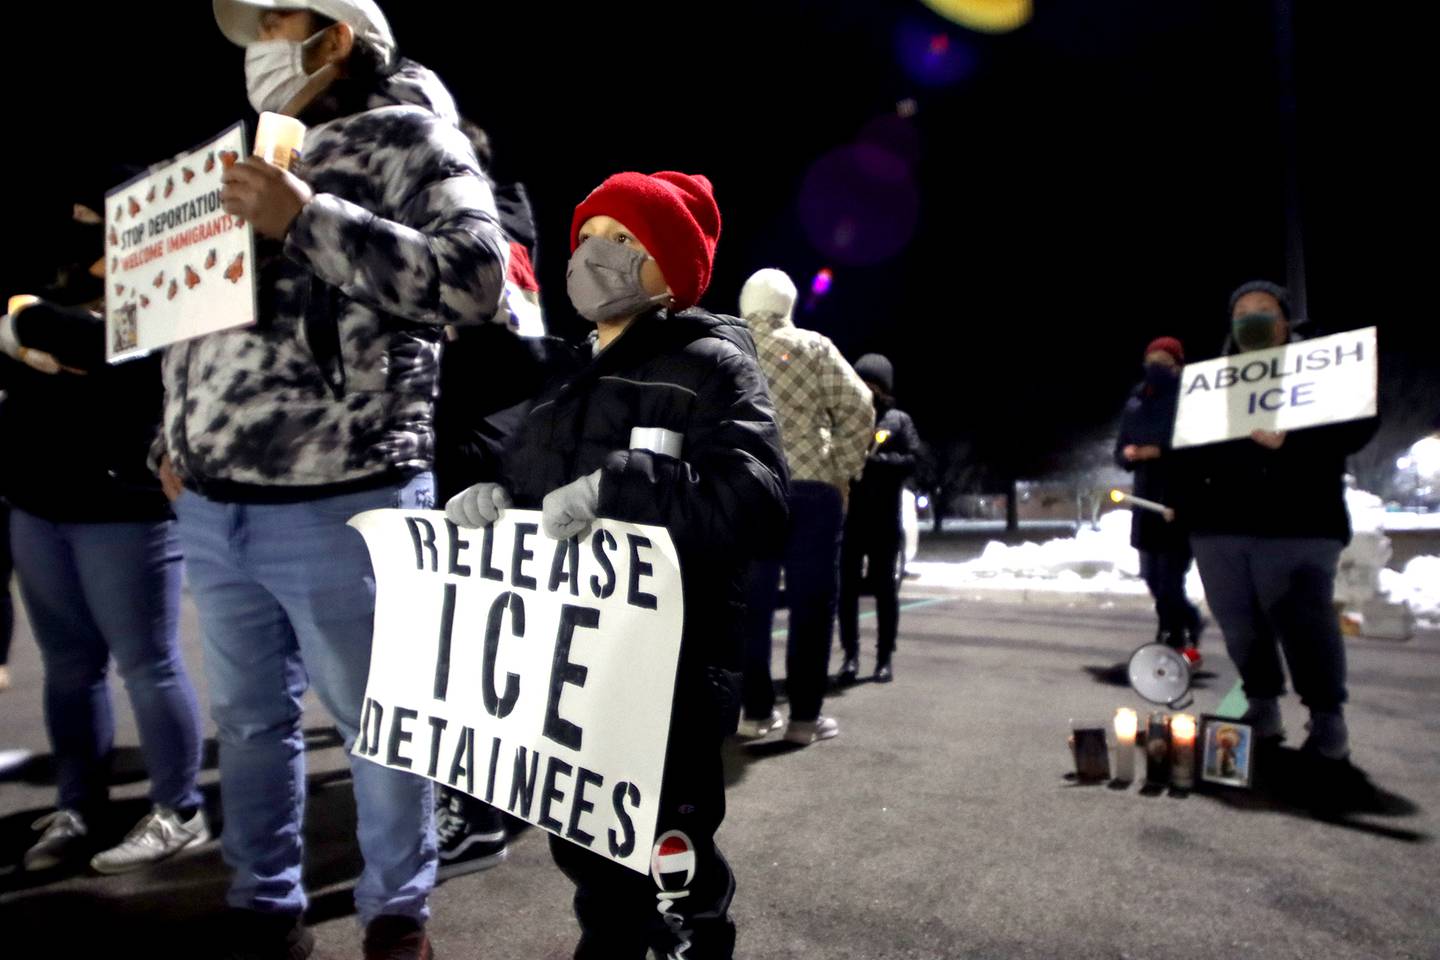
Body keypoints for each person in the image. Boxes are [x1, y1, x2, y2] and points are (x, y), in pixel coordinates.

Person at [163, 3, 509, 956]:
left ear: (335, 35)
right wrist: (173, 432)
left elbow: (481, 282)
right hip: (216, 501)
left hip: (346, 497)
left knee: (379, 728)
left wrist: (306, 217)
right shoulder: (235, 153)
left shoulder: (413, 135)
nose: (258, 44)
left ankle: (397, 912)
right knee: (247, 724)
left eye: (276, 18)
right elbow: (190, 320)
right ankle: (264, 903)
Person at [447, 170, 788, 959]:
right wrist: (490, 498)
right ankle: (619, 937)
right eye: (591, 235)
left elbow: (758, 505)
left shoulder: (713, 366)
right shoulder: (563, 376)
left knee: (669, 843)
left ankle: (695, 927)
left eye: (628, 240)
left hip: (671, 670)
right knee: (590, 847)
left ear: (674, 269)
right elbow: (530, 486)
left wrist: (620, 486)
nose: (598, 253)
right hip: (575, 669)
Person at [0, 199, 206, 875]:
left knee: (147, 664)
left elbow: (104, 355)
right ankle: (78, 805)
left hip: (123, 509)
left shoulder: (164, 299)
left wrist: (26, 321)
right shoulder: (63, 292)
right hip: (39, 503)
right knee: (68, 667)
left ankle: (179, 811)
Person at [1177, 281, 1379, 762]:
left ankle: (1328, 718)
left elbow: (1357, 428)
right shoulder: (1214, 380)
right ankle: (1262, 705)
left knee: (1305, 625)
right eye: (1241, 312)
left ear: (1285, 321)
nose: (1251, 320)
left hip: (1299, 524)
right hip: (1220, 527)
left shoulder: (1321, 368)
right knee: (1240, 625)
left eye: (1263, 311)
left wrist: (1294, 443)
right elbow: (1187, 454)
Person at [735, 268, 873, 743]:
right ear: (788, 304)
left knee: (749, 606)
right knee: (811, 605)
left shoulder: (729, 347)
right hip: (812, 489)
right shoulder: (814, 347)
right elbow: (859, 406)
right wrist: (842, 468)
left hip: (751, 492)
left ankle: (754, 712)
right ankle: (803, 719)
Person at [1114, 336, 1203, 663]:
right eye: (1151, 362)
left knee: (1170, 577)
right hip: (1146, 500)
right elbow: (1120, 449)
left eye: (1164, 363)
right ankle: (1189, 621)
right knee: (1151, 575)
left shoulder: (1191, 398)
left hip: (1178, 500)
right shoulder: (1136, 401)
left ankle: (1171, 637)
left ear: (1179, 366)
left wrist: (1160, 452)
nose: (1156, 369)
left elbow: (1199, 448)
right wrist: (1129, 455)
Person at [839, 354, 920, 684]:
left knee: (885, 590)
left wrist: (875, 462)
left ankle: (884, 657)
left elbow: (914, 459)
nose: (867, 390)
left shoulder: (898, 420)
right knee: (847, 591)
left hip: (885, 519)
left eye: (874, 384)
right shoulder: (847, 416)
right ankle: (850, 656)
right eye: (862, 382)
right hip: (850, 518)